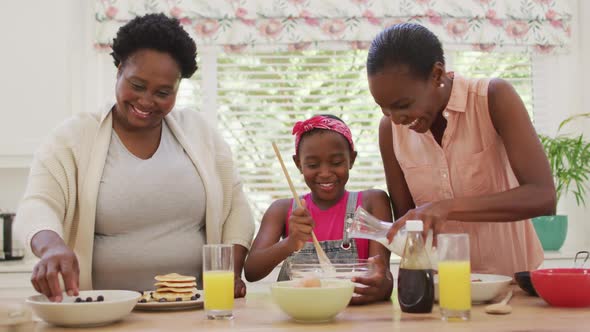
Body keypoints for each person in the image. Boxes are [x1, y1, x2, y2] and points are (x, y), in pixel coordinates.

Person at [14, 13, 254, 302]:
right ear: (118, 71)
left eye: (163, 92)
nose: (146, 101)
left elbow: (237, 209)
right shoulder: (71, 138)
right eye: (137, 85)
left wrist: (229, 271)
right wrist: (51, 245)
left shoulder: (200, 133)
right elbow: (37, 205)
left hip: (195, 308)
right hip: (102, 312)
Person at [367, 23, 556, 277]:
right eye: (384, 107)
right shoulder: (389, 130)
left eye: (403, 105)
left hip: (510, 287)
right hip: (439, 291)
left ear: (436, 75)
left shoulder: (493, 98)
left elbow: (542, 197)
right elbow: (409, 223)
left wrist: (446, 207)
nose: (396, 117)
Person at [244, 115, 393, 305]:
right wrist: (290, 243)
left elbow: (381, 274)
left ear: (352, 159)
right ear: (298, 164)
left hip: (356, 318)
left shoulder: (373, 202)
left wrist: (383, 284)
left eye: (337, 162)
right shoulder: (281, 210)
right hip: (299, 318)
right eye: (313, 165)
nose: (325, 173)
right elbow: (252, 271)